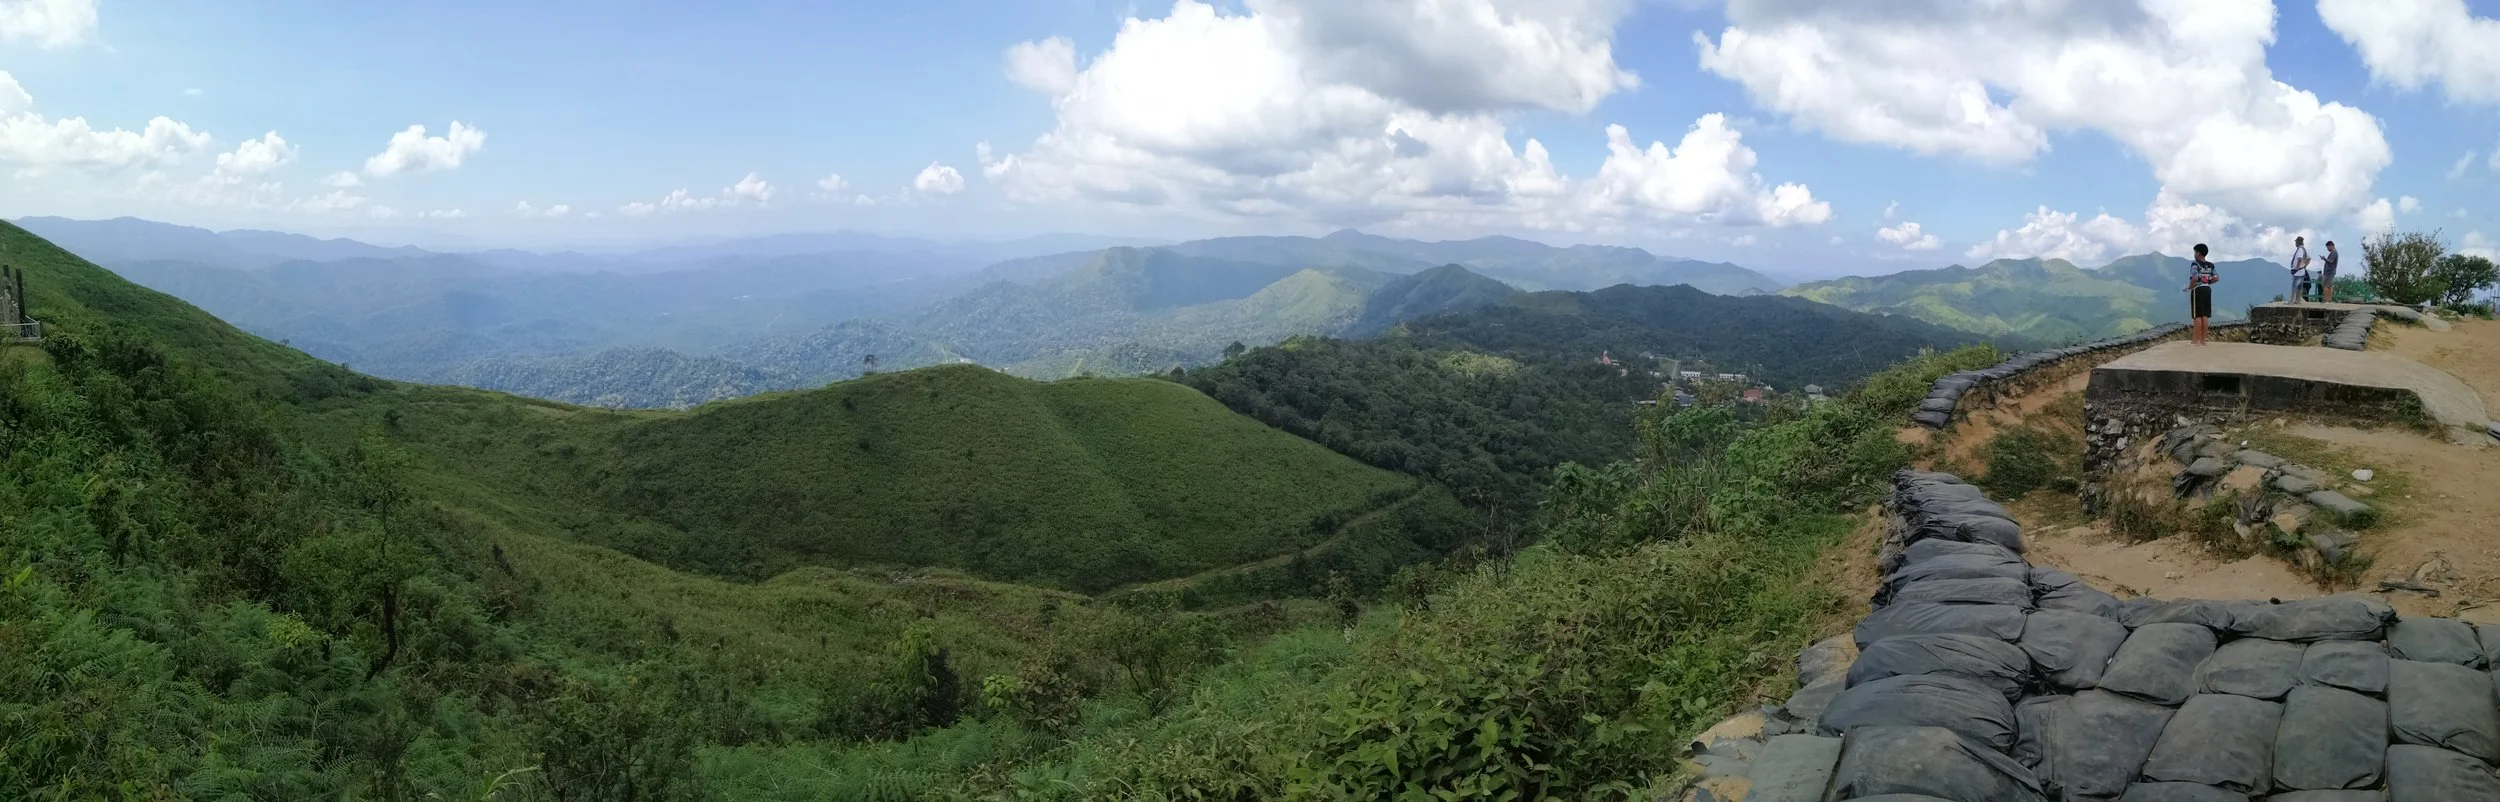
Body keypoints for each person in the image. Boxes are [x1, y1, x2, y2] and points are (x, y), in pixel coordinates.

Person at [2187, 243, 2217, 345]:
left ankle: (2195, 341)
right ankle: (2203, 341)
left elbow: (2195, 278)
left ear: (2198, 253)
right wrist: (2208, 282)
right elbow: (2216, 278)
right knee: (2205, 315)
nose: (2194, 254)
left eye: (2195, 252)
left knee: (2197, 315)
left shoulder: (2195, 264)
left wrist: (2190, 287)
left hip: (2198, 290)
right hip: (2207, 289)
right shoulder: (2210, 265)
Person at [2288, 236, 2311, 304]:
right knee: (2300, 287)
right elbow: (2309, 258)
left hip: (2298, 271)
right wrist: (2305, 265)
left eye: (2296, 242)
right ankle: (2298, 300)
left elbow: (2300, 258)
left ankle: (2291, 301)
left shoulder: (2300, 249)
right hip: (2302, 270)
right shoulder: (2304, 249)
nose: (2295, 243)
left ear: (2298, 242)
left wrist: (2297, 267)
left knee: (2294, 285)